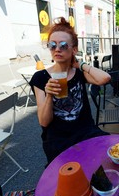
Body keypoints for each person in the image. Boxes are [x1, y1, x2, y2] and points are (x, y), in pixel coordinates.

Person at [29, 17, 111, 164]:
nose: (57, 49)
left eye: (63, 45)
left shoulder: (79, 73)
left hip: (86, 132)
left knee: (110, 158)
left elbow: (104, 78)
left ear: (73, 49)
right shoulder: (40, 78)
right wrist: (49, 95)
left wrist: (81, 65)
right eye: (52, 45)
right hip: (58, 139)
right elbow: (44, 122)